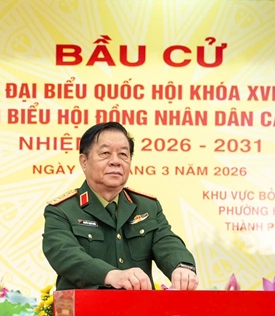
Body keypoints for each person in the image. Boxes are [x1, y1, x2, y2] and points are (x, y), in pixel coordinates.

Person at [42, 121, 198, 290]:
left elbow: (167, 242)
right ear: (84, 161)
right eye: (105, 153)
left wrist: (182, 267)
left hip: (139, 306)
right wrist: (112, 275)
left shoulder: (147, 207)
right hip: (84, 305)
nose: (115, 161)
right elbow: (66, 255)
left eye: (123, 154)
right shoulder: (62, 210)